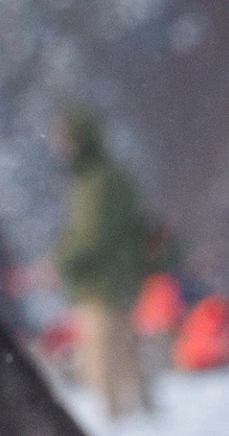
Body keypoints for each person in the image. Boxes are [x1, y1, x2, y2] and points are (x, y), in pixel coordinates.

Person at [49, 105, 162, 418]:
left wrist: (56, 264)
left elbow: (90, 237)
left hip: (103, 285)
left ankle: (121, 424)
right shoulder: (106, 175)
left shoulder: (96, 181)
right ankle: (143, 419)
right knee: (126, 358)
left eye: (63, 138)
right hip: (118, 281)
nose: (57, 146)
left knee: (104, 365)